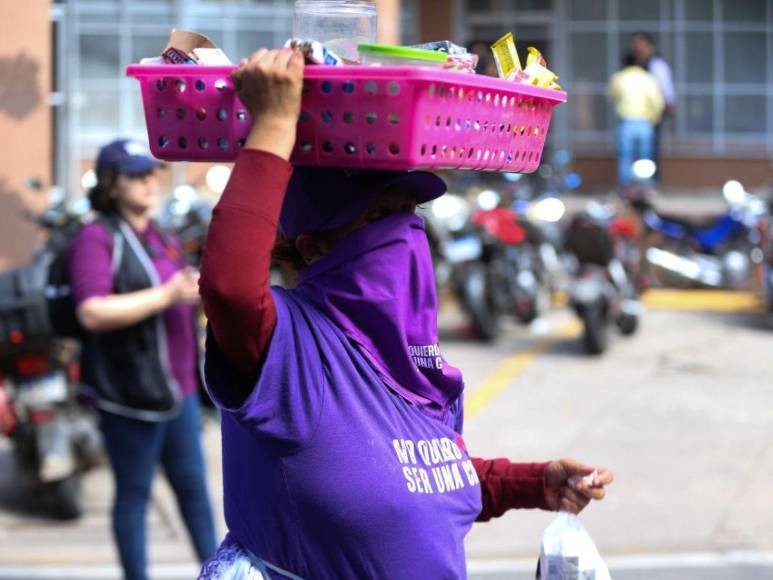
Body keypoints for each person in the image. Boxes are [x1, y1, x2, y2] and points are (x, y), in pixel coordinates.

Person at [198, 48, 613, 579]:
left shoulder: (408, 358)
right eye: (378, 216)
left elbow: (413, 477)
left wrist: (533, 484)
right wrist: (275, 125)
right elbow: (229, 287)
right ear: (312, 247)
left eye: (406, 212)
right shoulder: (286, 349)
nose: (403, 230)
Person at [68, 139, 217, 580]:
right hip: (129, 394)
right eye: (136, 174)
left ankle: (216, 571)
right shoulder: (96, 238)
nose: (150, 181)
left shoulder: (161, 234)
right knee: (134, 494)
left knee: (193, 488)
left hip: (180, 391)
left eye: (152, 172)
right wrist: (168, 294)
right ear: (112, 185)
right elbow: (91, 311)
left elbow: (174, 292)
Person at [608, 52, 665, 186]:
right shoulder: (648, 78)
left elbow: (612, 96)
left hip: (626, 121)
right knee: (645, 158)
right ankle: (644, 189)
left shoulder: (619, 77)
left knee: (625, 157)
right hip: (644, 122)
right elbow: (658, 102)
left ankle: (625, 190)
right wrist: (654, 119)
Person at [632, 32, 675, 179]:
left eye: (640, 43)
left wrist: (668, 103)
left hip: (652, 113)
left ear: (649, 46)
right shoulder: (635, 64)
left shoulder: (656, 64)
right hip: (634, 113)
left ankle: (651, 181)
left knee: (651, 149)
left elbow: (665, 86)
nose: (637, 47)